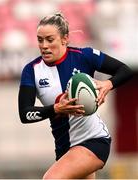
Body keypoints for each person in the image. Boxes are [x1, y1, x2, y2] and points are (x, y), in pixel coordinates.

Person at [18, 13, 133, 179]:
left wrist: (108, 84)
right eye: (40, 40)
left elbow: (125, 70)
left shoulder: (84, 56)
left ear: (65, 39)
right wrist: (56, 108)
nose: (44, 45)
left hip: (93, 140)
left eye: (50, 40)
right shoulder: (31, 70)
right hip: (65, 149)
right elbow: (25, 114)